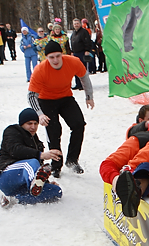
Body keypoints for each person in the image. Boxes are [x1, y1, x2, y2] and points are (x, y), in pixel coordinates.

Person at [28, 40, 94, 177]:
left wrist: (89, 96)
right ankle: (56, 165)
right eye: (51, 57)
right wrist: (39, 114)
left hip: (65, 98)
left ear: (62, 54)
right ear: (46, 58)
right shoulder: (40, 69)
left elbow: (84, 77)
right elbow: (31, 96)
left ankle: (72, 160)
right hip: (46, 100)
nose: (55, 60)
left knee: (78, 124)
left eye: (58, 56)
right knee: (54, 131)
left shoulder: (73, 61)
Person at [0, 108, 63, 207]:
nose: (33, 127)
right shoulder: (12, 131)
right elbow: (15, 150)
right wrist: (41, 155)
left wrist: (46, 183)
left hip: (22, 185)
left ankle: (14, 199)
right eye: (29, 123)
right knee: (30, 163)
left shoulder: (37, 143)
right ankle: (33, 184)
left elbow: (38, 170)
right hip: (6, 176)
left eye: (36, 123)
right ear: (22, 124)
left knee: (56, 191)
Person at [69, 18, 92, 90]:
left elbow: (88, 41)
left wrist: (87, 50)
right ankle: (78, 84)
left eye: (77, 23)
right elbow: (72, 43)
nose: (76, 25)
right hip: (75, 53)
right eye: (75, 24)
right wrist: (72, 51)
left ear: (80, 24)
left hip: (82, 52)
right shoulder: (73, 33)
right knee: (76, 69)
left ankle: (84, 85)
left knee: (82, 69)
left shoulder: (84, 32)